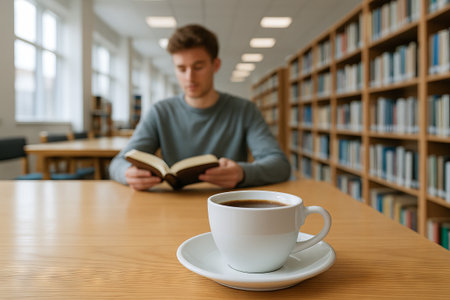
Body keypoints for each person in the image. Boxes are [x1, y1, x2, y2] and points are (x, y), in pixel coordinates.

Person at [109, 24, 290, 191]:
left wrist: (243, 173)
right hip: (173, 206)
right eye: (181, 68)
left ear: (215, 65)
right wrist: (128, 174)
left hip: (229, 204)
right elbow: (117, 163)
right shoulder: (160, 112)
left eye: (198, 66)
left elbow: (280, 165)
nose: (189, 77)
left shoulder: (245, 110)